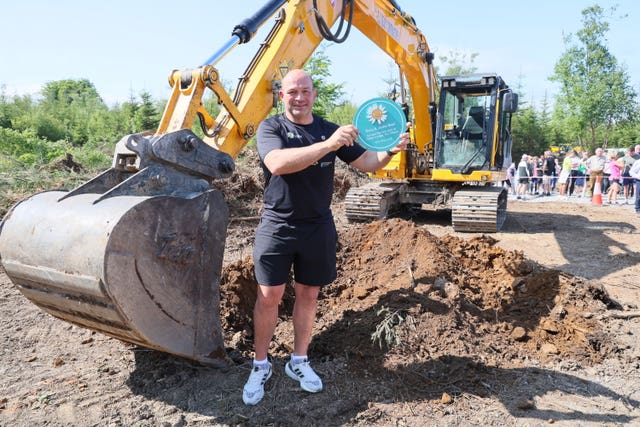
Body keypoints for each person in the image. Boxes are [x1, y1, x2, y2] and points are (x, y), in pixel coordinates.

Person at [242, 69, 411, 405]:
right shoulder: (272, 128)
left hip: (317, 226)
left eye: (305, 91)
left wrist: (390, 151)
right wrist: (329, 145)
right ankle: (261, 364)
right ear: (282, 96)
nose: (299, 97)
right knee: (268, 295)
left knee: (308, 294)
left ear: (314, 95)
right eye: (292, 92)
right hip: (277, 225)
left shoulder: (329, 129)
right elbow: (276, 163)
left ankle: (299, 361)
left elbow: (366, 162)